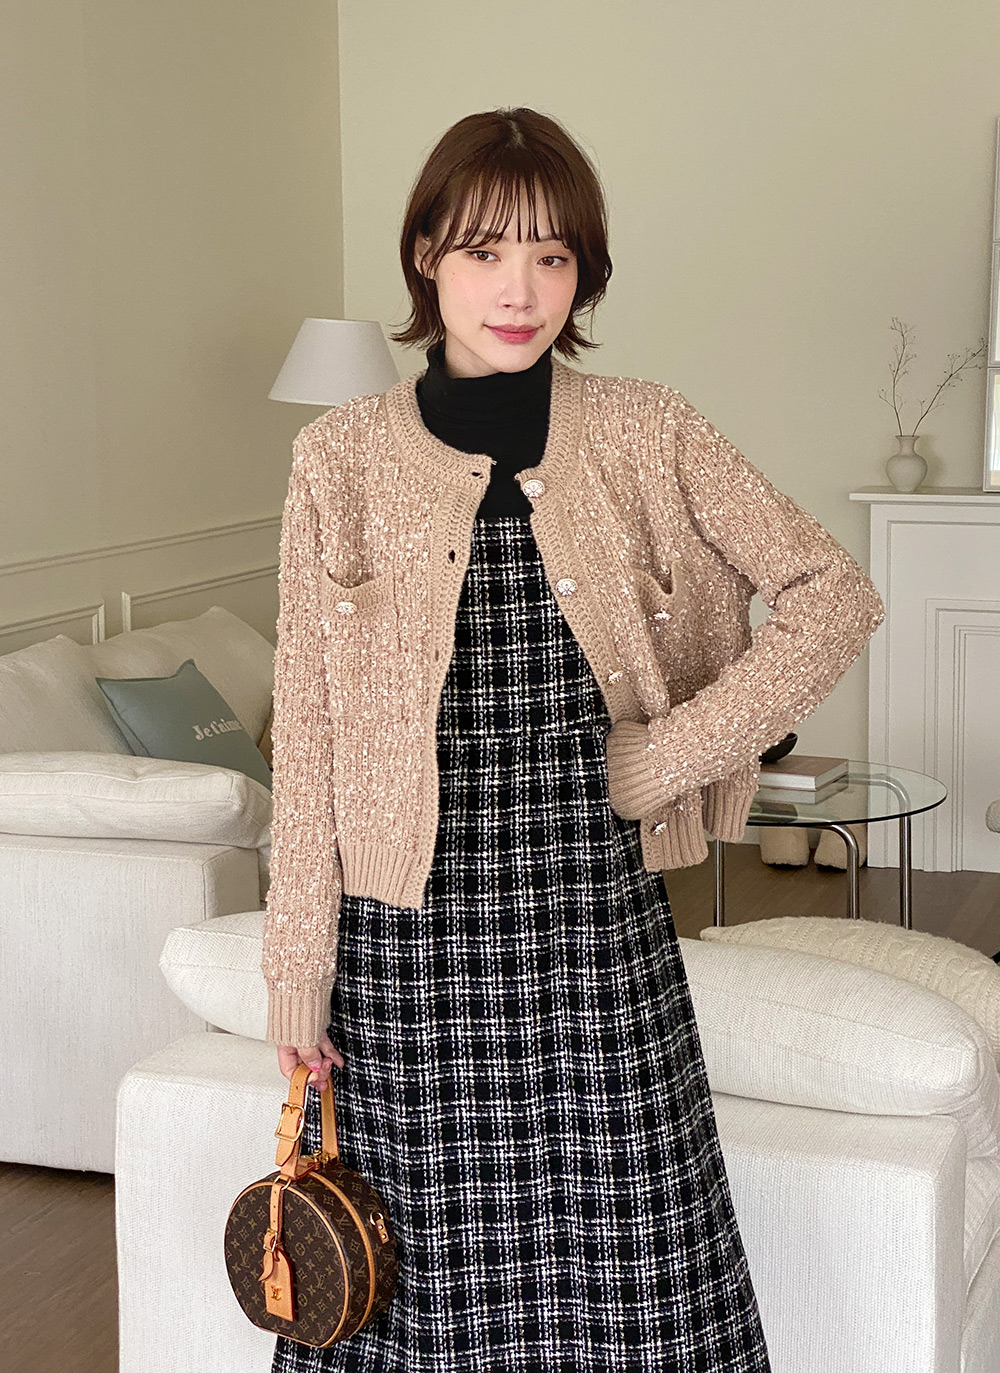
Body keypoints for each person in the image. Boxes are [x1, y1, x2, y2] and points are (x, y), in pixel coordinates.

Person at [264, 106, 884, 1372]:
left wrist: (672, 753)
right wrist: (296, 969)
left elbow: (834, 594)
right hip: (407, 951)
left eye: (551, 256)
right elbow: (312, 733)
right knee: (420, 1294)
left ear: (583, 272)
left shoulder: (650, 428)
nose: (520, 290)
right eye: (486, 251)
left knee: (639, 1277)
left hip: (593, 926)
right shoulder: (338, 459)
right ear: (426, 254)